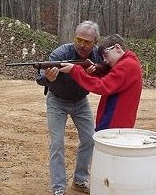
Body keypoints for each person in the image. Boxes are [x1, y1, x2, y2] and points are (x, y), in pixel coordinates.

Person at [36, 21, 103, 195]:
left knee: (90, 139)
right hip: (57, 101)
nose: (81, 44)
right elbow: (41, 76)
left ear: (95, 42)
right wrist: (48, 79)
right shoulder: (61, 53)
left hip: (81, 101)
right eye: (78, 39)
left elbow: (107, 72)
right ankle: (58, 187)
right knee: (57, 144)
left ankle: (80, 180)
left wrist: (96, 71)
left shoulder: (97, 57)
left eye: (87, 41)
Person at [59, 34, 143, 131]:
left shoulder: (126, 65)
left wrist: (75, 70)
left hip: (114, 125)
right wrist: (95, 73)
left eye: (106, 55)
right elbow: (113, 82)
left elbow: (102, 86)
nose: (105, 61)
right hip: (117, 123)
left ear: (117, 48)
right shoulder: (129, 62)